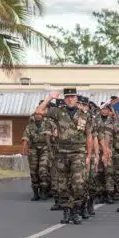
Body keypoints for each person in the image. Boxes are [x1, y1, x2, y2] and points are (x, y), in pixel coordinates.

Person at [36, 88, 90, 224]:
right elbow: (39, 111)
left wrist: (89, 155)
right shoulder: (58, 112)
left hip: (78, 153)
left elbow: (89, 136)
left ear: (76, 98)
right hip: (62, 153)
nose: (70, 99)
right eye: (68, 97)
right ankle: (67, 212)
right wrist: (49, 98)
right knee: (62, 185)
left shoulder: (85, 115)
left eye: (73, 97)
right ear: (65, 99)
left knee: (78, 184)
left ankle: (75, 210)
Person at [23, 106, 51, 200]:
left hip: (45, 149)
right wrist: (24, 149)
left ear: (42, 115)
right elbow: (26, 138)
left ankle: (43, 191)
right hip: (33, 149)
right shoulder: (30, 126)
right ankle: (35, 193)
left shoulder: (47, 124)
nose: (38, 116)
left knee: (43, 170)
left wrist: (50, 150)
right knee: (33, 171)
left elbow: (48, 138)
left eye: (40, 114)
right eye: (36, 114)